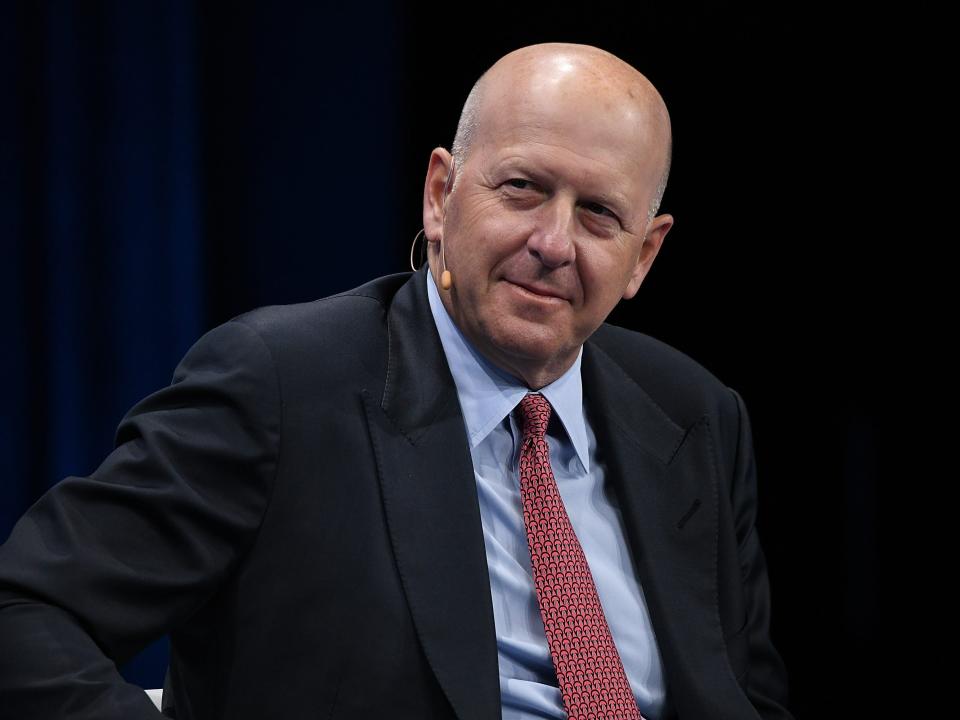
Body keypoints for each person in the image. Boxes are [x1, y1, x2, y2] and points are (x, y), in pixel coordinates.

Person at [0, 43, 792, 719]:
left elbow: (747, 696)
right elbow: (28, 613)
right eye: (521, 188)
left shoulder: (695, 416)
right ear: (441, 195)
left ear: (643, 257)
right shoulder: (282, 385)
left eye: (597, 215)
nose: (553, 242)